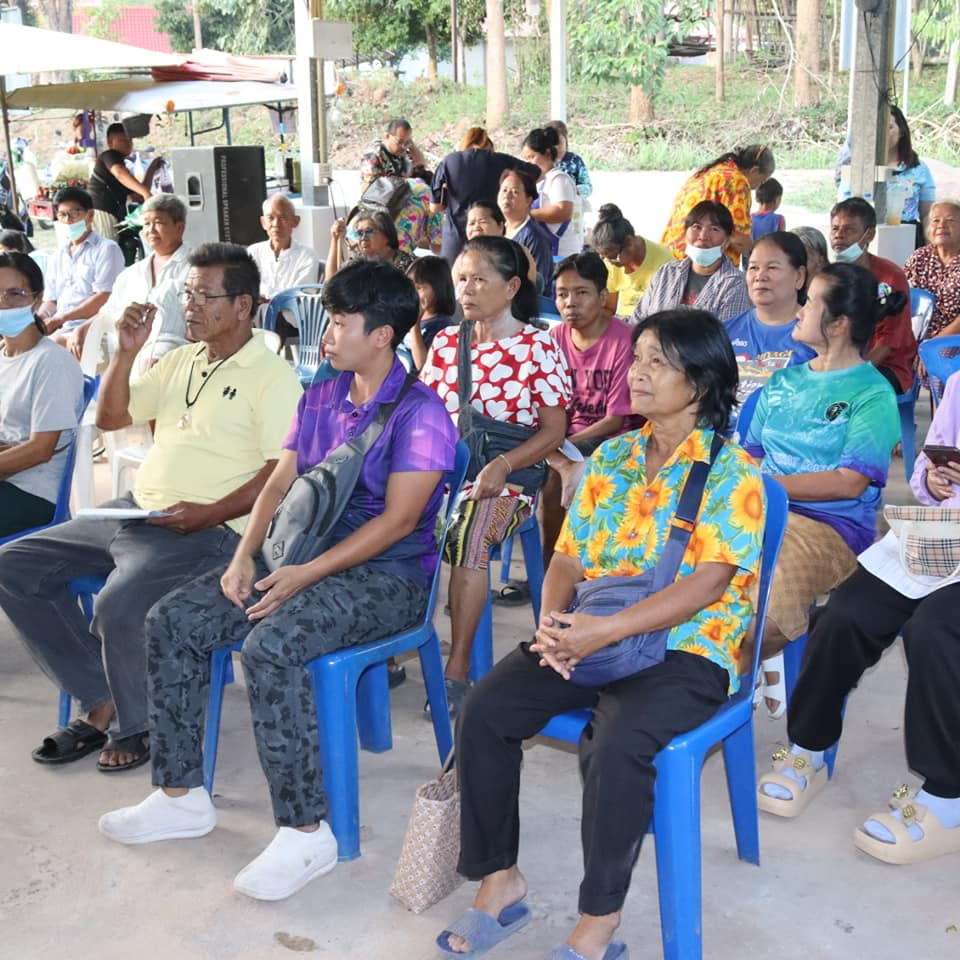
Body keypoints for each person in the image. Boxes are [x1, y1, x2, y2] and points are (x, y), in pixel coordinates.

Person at [98, 260, 458, 902]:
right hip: (297, 555)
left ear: (381, 335)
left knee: (273, 648)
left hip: (386, 578)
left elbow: (401, 522)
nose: (328, 332)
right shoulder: (323, 389)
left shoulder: (421, 414)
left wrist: (303, 575)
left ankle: (305, 829)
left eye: (342, 321)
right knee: (173, 620)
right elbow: (281, 476)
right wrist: (246, 557)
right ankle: (179, 795)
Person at [435, 308, 764, 960]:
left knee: (613, 745)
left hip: (687, 646)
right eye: (636, 357)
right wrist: (553, 625)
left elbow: (707, 586)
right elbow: (565, 558)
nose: (636, 373)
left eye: (656, 363)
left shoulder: (732, 473)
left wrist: (601, 631)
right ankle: (500, 880)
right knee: (485, 707)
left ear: (698, 382)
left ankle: (598, 922)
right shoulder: (610, 456)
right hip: (592, 630)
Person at [0, 243, 302, 773]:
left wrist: (207, 514)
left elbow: (281, 474)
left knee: (118, 603)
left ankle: (135, 725)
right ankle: (100, 692)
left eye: (206, 296)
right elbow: (114, 417)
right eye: (187, 293)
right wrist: (125, 352)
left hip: (207, 530)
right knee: (14, 565)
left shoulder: (271, 376)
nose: (190, 306)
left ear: (243, 306)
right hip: (136, 512)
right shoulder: (182, 360)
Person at [756, 369, 960, 865]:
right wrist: (933, 480)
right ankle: (809, 749)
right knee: (846, 613)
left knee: (936, 629)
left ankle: (947, 798)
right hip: (946, 537)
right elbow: (924, 478)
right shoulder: (958, 386)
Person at [742, 263, 902, 717]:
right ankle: (713, 674)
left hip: (827, 529)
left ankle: (711, 688)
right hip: (760, 509)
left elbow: (849, 482)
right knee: (678, 582)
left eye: (810, 301)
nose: (800, 309)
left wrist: (764, 486)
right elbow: (750, 454)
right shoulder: (784, 381)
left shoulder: (872, 394)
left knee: (759, 624)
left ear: (838, 324)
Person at [420, 235, 570, 716]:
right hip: (449, 469)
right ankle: (387, 641)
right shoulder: (446, 341)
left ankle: (458, 668)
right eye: (461, 278)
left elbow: (554, 431)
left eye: (479, 279)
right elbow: (423, 415)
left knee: (470, 530)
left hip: (512, 475)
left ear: (510, 287)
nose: (465, 289)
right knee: (378, 517)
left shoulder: (537, 347)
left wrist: (503, 465)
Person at [542, 252, 635, 566]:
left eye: (581, 293)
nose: (570, 303)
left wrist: (563, 445)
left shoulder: (624, 340)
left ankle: (567, 568)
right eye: (562, 294)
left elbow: (615, 419)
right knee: (545, 468)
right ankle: (549, 569)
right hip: (561, 439)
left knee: (556, 480)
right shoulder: (553, 339)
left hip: (611, 441)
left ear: (602, 297)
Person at [0, 252, 84, 537]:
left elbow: (40, 450)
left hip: (31, 492)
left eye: (14, 293)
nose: (3, 303)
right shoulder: (4, 356)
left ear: (37, 299)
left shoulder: (51, 362)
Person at [59, 193, 192, 364]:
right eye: (146, 224)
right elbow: (107, 312)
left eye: (158, 223)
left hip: (167, 344)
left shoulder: (195, 267)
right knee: (61, 345)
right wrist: (82, 329)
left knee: (150, 360)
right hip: (123, 339)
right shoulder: (132, 273)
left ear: (179, 227)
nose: (150, 230)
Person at [725, 231, 815, 424]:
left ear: (799, 276)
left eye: (772, 267)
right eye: (753, 268)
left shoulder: (817, 337)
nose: (760, 276)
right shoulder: (725, 332)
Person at [829, 196, 916, 395]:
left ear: (869, 235)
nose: (839, 236)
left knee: (846, 394)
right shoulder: (829, 276)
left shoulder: (890, 277)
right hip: (840, 361)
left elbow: (888, 343)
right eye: (835, 228)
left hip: (885, 365)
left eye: (849, 229)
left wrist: (852, 375)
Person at [430, 126, 540, 263]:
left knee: (455, 280)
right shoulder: (500, 160)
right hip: (490, 234)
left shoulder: (450, 161)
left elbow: (435, 207)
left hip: (455, 239)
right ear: (488, 146)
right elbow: (537, 172)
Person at [634, 201, 751, 324]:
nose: (703, 236)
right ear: (685, 234)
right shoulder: (667, 272)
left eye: (714, 229)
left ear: (727, 241)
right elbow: (638, 321)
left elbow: (729, 337)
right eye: (696, 227)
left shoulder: (736, 283)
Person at [835, 106, 936, 248]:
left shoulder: (919, 168)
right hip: (866, 237)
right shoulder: (857, 168)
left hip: (908, 237)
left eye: (888, 127)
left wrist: (931, 248)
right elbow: (843, 210)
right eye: (876, 128)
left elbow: (928, 214)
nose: (882, 134)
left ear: (901, 131)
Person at [662, 145, 775, 267]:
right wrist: (758, 255)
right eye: (763, 180)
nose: (760, 186)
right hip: (695, 263)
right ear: (754, 170)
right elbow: (738, 239)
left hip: (670, 254)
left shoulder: (708, 172)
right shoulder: (737, 182)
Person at [39, 187, 124, 337]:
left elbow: (104, 297)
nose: (68, 221)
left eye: (74, 214)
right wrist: (42, 318)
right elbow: (51, 300)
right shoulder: (59, 255)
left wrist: (61, 319)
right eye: (62, 215)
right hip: (60, 326)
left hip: (91, 326)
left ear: (90, 215)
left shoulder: (106, 249)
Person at [591, 203, 674, 318]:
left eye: (614, 258)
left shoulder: (665, 264)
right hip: (624, 321)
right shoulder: (610, 263)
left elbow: (664, 314)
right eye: (605, 258)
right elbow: (609, 309)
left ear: (629, 242)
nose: (611, 263)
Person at [88, 122, 164, 241]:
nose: (128, 144)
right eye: (123, 140)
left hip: (113, 213)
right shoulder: (109, 155)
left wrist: (151, 169)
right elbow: (119, 172)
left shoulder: (123, 167)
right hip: (102, 211)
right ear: (110, 142)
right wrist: (146, 193)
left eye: (130, 141)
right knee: (108, 248)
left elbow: (137, 195)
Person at [521, 126, 584, 259]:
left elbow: (563, 211)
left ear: (548, 154)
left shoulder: (559, 179)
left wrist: (526, 214)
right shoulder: (539, 182)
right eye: (525, 159)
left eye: (532, 157)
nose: (528, 163)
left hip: (562, 254)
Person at [248, 194, 323, 302]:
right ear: (263, 222)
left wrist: (269, 300)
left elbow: (302, 297)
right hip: (254, 314)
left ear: (295, 221)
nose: (276, 224)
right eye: (270, 218)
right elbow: (245, 288)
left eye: (282, 218)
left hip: (290, 316)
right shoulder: (253, 252)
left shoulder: (307, 256)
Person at [904, 200, 960, 340]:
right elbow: (901, 294)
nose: (941, 225)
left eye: (950, 220)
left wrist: (932, 345)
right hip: (914, 335)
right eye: (935, 220)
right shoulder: (919, 257)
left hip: (952, 340)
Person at [497, 170, 555, 294]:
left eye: (515, 192)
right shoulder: (498, 228)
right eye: (504, 190)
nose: (507, 196)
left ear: (528, 200)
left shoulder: (536, 237)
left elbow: (538, 284)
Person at [463, 200, 538, 287]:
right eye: (471, 223)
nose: (476, 227)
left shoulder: (517, 253)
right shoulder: (463, 256)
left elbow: (528, 288)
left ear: (500, 226)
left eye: (483, 222)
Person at [326, 209, 415, 282]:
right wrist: (335, 239)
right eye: (360, 233)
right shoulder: (357, 262)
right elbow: (331, 283)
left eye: (369, 231)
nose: (363, 238)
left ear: (387, 235)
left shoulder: (410, 265)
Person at [406, 254, 457, 369]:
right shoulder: (403, 316)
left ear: (439, 289)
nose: (412, 292)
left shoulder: (443, 327)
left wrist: (415, 325)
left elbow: (424, 367)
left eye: (419, 288)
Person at [359, 117, 425, 187]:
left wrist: (411, 145)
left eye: (407, 142)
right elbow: (366, 188)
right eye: (400, 142)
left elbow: (421, 164)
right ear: (387, 136)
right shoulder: (373, 156)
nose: (403, 147)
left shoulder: (403, 152)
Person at [546, 118, 593, 199]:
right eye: (554, 144)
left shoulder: (575, 160)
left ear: (565, 140)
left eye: (560, 143)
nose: (557, 147)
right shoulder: (544, 160)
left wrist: (573, 189)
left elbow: (588, 187)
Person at [751, 177, 785, 243]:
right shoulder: (779, 219)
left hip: (752, 253)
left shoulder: (748, 218)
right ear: (777, 199)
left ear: (756, 198)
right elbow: (782, 245)